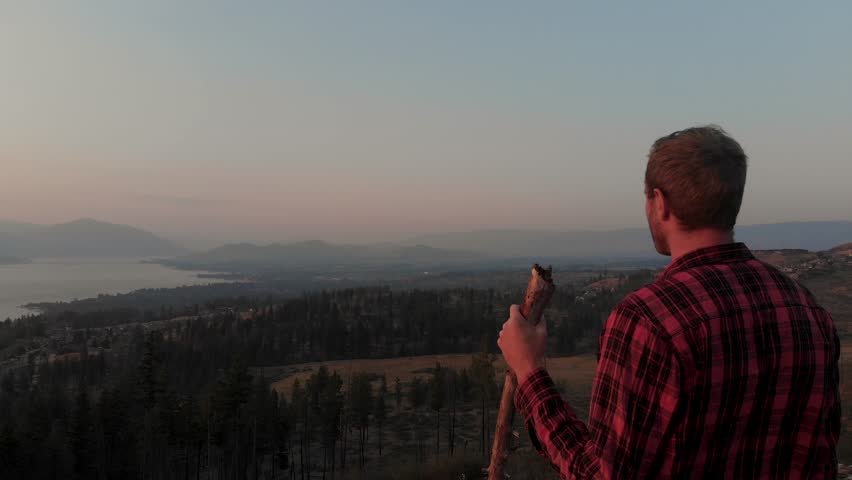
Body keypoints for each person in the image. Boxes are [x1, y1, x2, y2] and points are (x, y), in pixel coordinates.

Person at [497, 126, 840, 479]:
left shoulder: (648, 320)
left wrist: (528, 370)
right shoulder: (807, 312)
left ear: (660, 203)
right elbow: (821, 459)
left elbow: (601, 475)